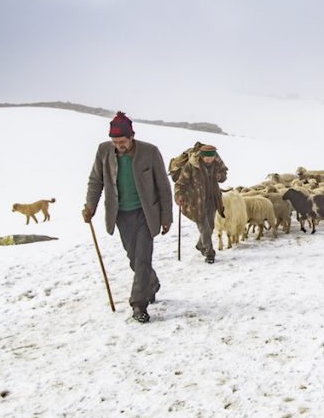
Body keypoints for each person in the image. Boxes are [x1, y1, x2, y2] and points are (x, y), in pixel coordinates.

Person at [83, 112, 172, 323]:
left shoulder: (149, 152)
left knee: (142, 258)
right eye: (115, 141)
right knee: (134, 259)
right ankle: (151, 283)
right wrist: (90, 206)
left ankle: (138, 304)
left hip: (145, 213)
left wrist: (166, 217)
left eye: (122, 141)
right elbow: (96, 181)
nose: (118, 145)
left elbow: (163, 186)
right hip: (121, 214)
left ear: (131, 137)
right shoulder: (104, 151)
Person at [173, 142, 227, 264]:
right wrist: (179, 195)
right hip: (196, 201)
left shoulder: (217, 163)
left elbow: (224, 175)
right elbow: (181, 182)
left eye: (211, 157)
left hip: (212, 199)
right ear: (202, 156)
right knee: (204, 228)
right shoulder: (192, 165)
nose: (209, 159)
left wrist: (220, 176)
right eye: (207, 157)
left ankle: (200, 245)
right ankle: (209, 253)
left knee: (211, 226)